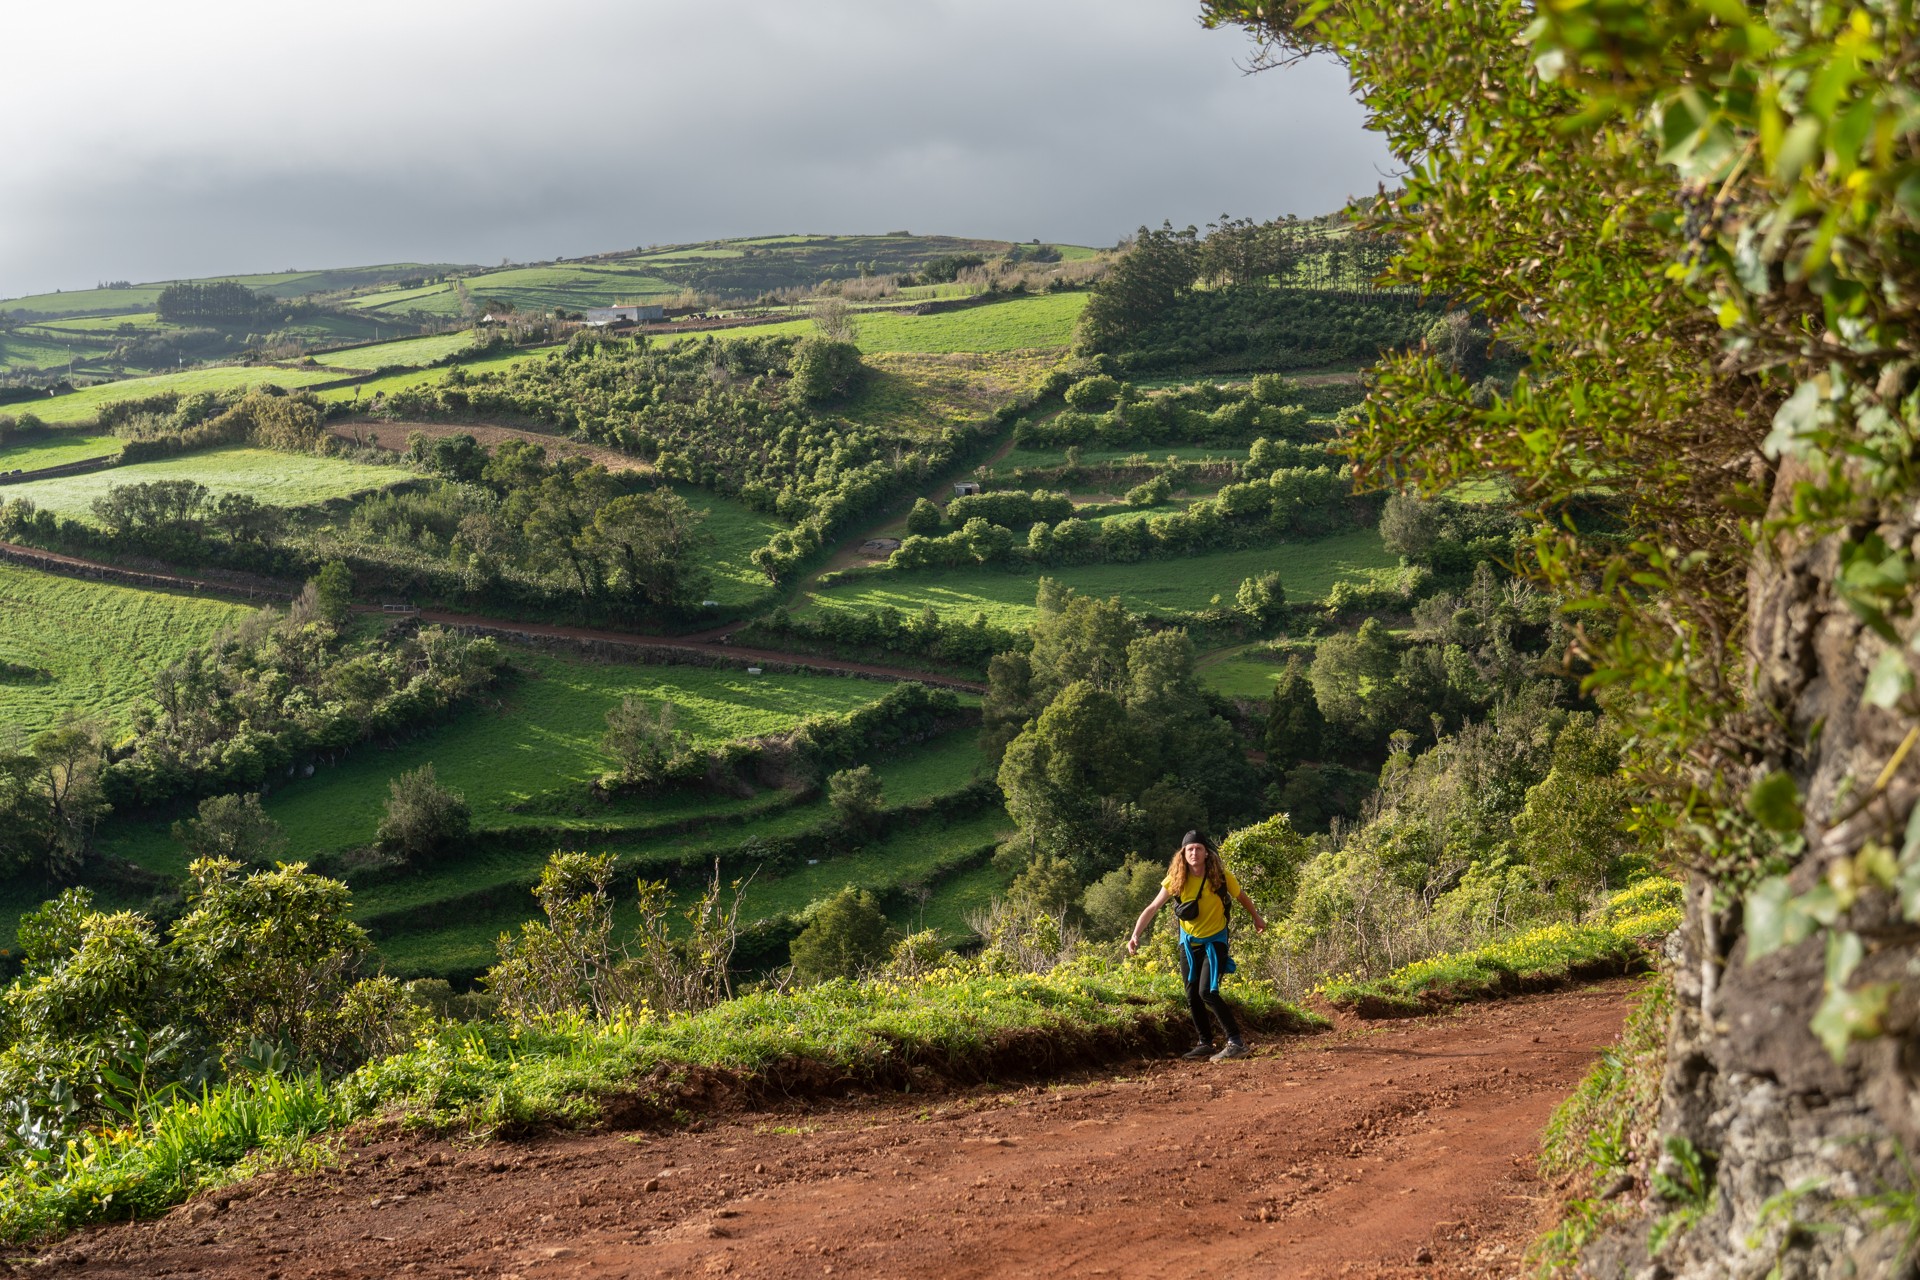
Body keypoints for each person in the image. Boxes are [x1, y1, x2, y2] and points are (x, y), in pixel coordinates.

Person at [1126, 830, 1266, 1061]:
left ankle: (1236, 1043)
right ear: (1183, 854)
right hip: (1189, 944)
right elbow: (1153, 907)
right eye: (1189, 849)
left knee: (1207, 992)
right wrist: (1135, 935)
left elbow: (1242, 897)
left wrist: (1256, 918)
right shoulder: (1176, 879)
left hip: (1215, 941)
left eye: (1198, 848)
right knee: (1192, 994)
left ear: (1206, 853)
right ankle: (1205, 1043)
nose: (1194, 853)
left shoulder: (1221, 877)